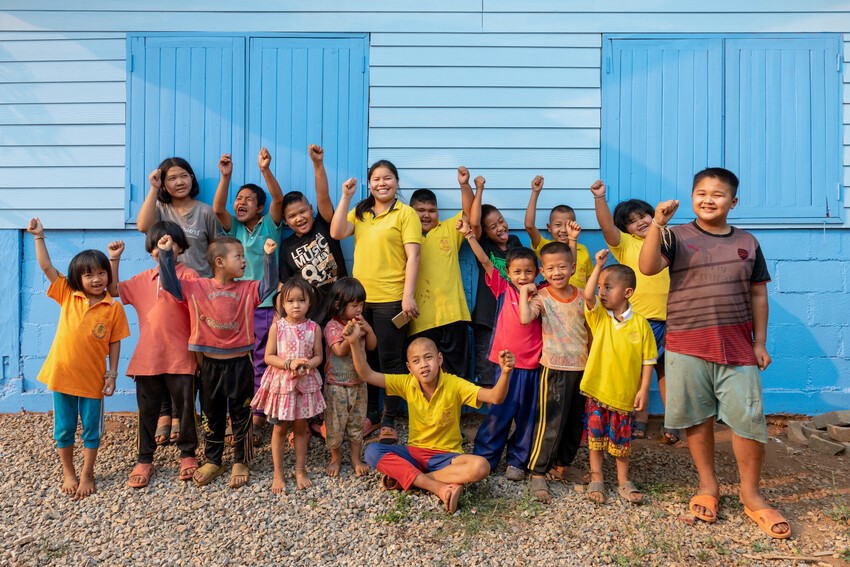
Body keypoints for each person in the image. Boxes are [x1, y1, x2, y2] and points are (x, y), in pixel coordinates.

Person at [639, 167, 789, 539]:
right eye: (701, 193)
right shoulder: (675, 236)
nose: (708, 199)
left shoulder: (748, 242)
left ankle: (751, 494)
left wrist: (759, 342)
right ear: (692, 197)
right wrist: (657, 224)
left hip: (737, 348)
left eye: (718, 194)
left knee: (749, 421)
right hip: (686, 347)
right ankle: (708, 485)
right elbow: (646, 267)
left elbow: (758, 294)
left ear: (733, 202)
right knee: (696, 418)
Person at [344, 321, 516, 514]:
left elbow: (495, 397)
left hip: (447, 457)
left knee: (481, 466)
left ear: (439, 359)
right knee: (372, 451)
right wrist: (353, 343)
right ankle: (438, 486)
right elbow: (367, 374)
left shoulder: (454, 384)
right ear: (409, 367)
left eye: (428, 358)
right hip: (414, 453)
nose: (424, 365)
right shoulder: (406, 383)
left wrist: (505, 373)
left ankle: (412, 479)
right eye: (416, 361)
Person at [157, 234, 278, 489]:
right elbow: (169, 284)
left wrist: (269, 257)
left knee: (241, 414)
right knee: (211, 415)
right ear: (220, 262)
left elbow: (269, 286)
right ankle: (214, 459)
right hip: (210, 366)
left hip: (240, 364)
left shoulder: (248, 288)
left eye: (244, 256)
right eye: (239, 256)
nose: (244, 261)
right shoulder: (197, 287)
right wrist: (166, 254)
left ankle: (241, 460)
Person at [27, 218, 130, 500]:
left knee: (91, 431)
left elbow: (115, 342)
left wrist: (112, 375)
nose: (97, 279)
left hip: (93, 381)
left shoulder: (113, 308)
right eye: (89, 275)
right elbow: (47, 267)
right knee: (64, 429)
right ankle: (68, 472)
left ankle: (87, 473)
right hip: (62, 376)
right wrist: (38, 236)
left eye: (101, 273)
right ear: (77, 279)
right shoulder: (68, 295)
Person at [330, 160, 421, 444]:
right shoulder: (361, 212)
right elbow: (336, 232)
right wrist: (346, 196)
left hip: (392, 299)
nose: (382, 183)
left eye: (388, 178)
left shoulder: (406, 214)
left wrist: (408, 295)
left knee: (390, 360)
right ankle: (370, 413)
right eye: (376, 179)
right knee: (366, 356)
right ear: (369, 184)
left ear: (397, 182)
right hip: (360, 301)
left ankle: (389, 419)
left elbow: (414, 256)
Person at [106, 222, 200, 489]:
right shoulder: (142, 279)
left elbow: (178, 292)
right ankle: (144, 458)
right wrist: (114, 259)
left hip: (181, 357)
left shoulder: (190, 276)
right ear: (150, 250)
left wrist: (167, 258)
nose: (164, 246)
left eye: (171, 242)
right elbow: (113, 290)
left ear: (181, 247)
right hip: (148, 358)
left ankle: (188, 454)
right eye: (158, 243)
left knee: (186, 410)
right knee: (147, 412)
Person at [136, 156, 220, 444]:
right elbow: (143, 226)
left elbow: (215, 251)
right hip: (166, 291)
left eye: (184, 175)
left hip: (198, 292)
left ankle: (181, 412)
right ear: (164, 183)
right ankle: (166, 412)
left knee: (190, 351)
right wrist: (153, 188)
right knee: (166, 346)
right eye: (171, 178)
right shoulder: (161, 208)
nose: (179, 182)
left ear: (192, 178)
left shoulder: (205, 212)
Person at [590, 180, 674, 443]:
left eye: (643, 216)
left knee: (667, 371)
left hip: (670, 319)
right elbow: (607, 226)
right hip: (640, 322)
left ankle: (673, 422)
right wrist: (600, 198)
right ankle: (640, 418)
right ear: (624, 228)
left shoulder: (669, 239)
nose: (639, 222)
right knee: (637, 371)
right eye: (631, 221)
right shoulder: (625, 244)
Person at [460, 218, 542, 480]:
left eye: (528, 272)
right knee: (499, 411)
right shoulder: (503, 288)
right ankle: (486, 455)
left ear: (537, 273)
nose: (523, 277)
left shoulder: (541, 295)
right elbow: (485, 260)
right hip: (505, 366)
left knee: (528, 416)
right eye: (517, 272)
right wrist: (470, 236)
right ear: (508, 272)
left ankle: (518, 460)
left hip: (533, 365)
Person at [213, 149, 284, 445]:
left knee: (261, 361)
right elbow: (218, 209)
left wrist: (265, 170)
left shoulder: (270, 225)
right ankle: (238, 415)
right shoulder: (235, 228)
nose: (240, 203)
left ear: (260, 207)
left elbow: (278, 199)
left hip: (265, 305)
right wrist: (225, 176)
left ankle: (257, 416)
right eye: (238, 199)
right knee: (237, 362)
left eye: (248, 200)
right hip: (237, 305)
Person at [581, 250, 655, 505]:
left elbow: (648, 361)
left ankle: (624, 480)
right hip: (598, 391)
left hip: (624, 395)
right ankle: (597, 477)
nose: (601, 292)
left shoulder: (641, 325)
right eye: (600, 287)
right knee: (595, 439)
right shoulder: (600, 317)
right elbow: (587, 296)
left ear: (627, 292)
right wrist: (598, 266)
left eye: (608, 287)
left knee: (622, 440)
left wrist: (643, 390)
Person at [518, 241, 589, 503]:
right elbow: (525, 318)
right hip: (554, 369)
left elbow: (590, 329)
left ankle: (562, 466)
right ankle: (538, 471)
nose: (556, 272)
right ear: (542, 271)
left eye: (562, 267)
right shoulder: (543, 298)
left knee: (574, 422)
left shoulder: (582, 296)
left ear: (573, 268)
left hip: (581, 367)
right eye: (550, 268)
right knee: (551, 422)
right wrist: (525, 293)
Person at [251, 278, 325, 493]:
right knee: (280, 428)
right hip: (282, 386)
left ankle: (300, 470)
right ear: (282, 304)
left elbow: (319, 356)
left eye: (301, 300)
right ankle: (278, 473)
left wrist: (308, 364)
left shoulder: (314, 328)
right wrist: (289, 364)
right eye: (290, 301)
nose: (296, 305)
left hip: (303, 384)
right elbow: (268, 357)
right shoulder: (278, 327)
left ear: (309, 302)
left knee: (301, 428)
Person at [406, 166, 478, 378]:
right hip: (420, 320)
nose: (426, 215)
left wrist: (464, 185)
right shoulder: (404, 235)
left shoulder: (448, 229)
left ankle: (455, 403)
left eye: (431, 210)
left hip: (453, 315)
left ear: (438, 213)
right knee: (425, 376)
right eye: (420, 210)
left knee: (457, 375)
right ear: (410, 212)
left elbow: (469, 213)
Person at [279, 144, 348, 324]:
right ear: (285, 221)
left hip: (341, 307)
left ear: (311, 209)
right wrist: (280, 318)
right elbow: (285, 285)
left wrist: (318, 164)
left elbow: (322, 195)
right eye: (292, 216)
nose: (299, 218)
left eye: (303, 211)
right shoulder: (286, 247)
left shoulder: (324, 224)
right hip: (312, 317)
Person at [468, 177, 522, 387]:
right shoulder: (484, 245)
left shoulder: (515, 242)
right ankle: (490, 405)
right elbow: (474, 223)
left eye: (501, 221)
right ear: (485, 232)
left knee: (512, 369)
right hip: (488, 319)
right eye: (493, 226)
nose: (500, 227)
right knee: (487, 372)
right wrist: (479, 189)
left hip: (513, 316)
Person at [322, 277, 376, 478]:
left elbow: (372, 345)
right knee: (335, 425)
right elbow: (339, 351)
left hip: (359, 383)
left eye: (361, 304)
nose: (359, 309)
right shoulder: (332, 326)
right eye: (354, 305)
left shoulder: (360, 323)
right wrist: (351, 336)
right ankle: (335, 457)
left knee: (357, 423)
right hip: (337, 385)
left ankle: (355, 458)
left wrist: (367, 329)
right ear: (338, 304)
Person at [524, 175, 593, 289]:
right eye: (558, 225)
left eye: (568, 224)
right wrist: (535, 193)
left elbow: (590, 279)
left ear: (575, 225)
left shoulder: (583, 250)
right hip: (553, 298)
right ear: (549, 227)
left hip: (578, 299)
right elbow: (529, 226)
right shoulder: (546, 247)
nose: (564, 230)